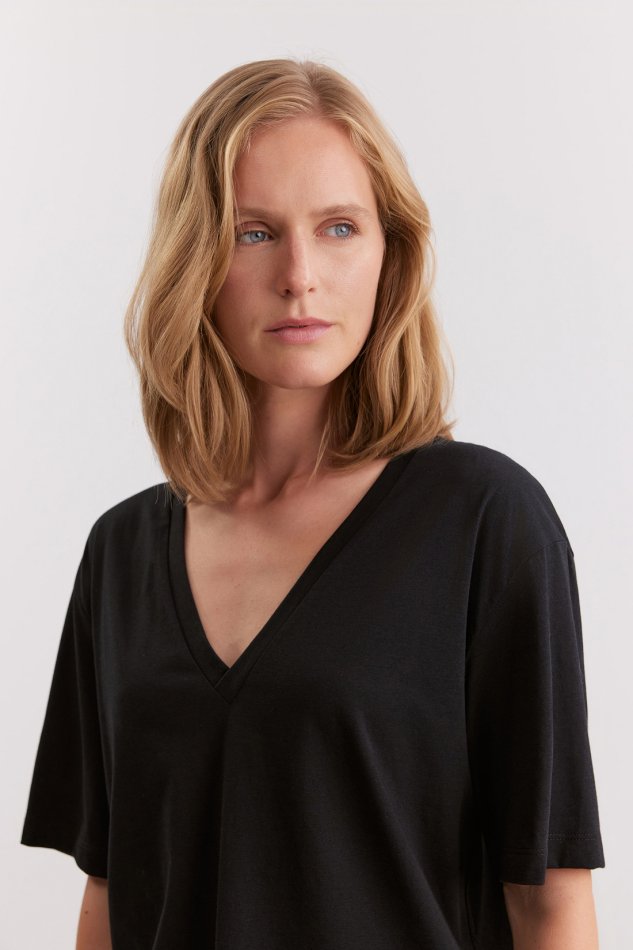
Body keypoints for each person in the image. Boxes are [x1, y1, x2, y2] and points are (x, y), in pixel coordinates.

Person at [20, 58, 605, 949]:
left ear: (387, 252)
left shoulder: (483, 521)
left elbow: (549, 900)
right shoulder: (121, 553)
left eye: (337, 227)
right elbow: (109, 897)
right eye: (253, 233)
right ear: (194, 258)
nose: (299, 275)